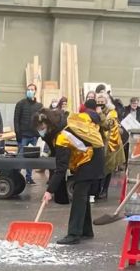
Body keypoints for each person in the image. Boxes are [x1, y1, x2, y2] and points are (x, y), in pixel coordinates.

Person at [40, 105, 106, 245]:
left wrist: (49, 190)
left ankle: (74, 234)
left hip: (91, 159)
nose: (40, 132)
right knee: (82, 194)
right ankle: (86, 231)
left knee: (79, 194)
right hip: (95, 154)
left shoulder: (62, 137)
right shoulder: (67, 123)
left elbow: (61, 168)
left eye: (41, 128)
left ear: (49, 125)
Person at [14, 83, 43, 184]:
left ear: (35, 91)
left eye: (32, 89)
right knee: (20, 156)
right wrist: (18, 133)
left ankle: (29, 177)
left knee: (31, 158)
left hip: (34, 135)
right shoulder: (20, 104)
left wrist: (40, 135)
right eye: (28, 89)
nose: (30, 91)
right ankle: (15, 175)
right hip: (23, 135)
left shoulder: (39, 106)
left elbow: (41, 122)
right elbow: (16, 120)